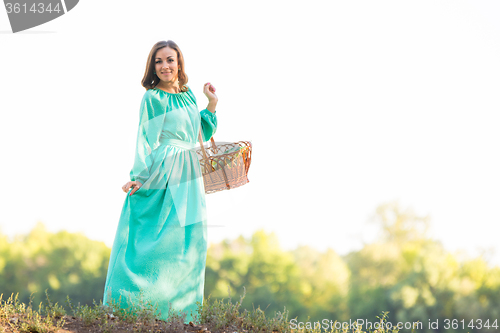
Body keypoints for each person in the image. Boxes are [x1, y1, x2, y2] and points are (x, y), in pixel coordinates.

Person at [102, 40, 218, 324]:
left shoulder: (189, 95)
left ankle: (182, 313)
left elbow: (199, 132)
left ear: (179, 63)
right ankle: (132, 305)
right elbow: (145, 139)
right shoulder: (152, 97)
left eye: (170, 60)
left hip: (190, 171)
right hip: (165, 167)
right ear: (152, 67)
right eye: (158, 62)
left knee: (191, 239)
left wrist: (211, 104)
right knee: (155, 238)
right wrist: (139, 177)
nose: (164, 66)